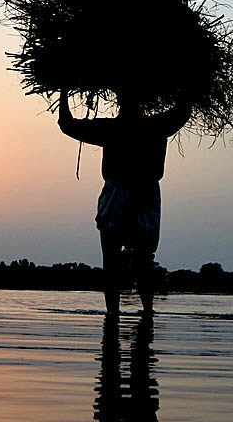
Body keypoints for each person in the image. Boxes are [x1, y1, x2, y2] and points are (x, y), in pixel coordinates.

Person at [58, 89, 191, 316]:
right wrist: (184, 86)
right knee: (141, 261)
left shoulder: (112, 129)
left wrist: (63, 91)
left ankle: (116, 314)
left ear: (119, 101)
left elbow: (66, 124)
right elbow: (183, 110)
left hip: (125, 197)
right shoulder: (156, 126)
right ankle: (144, 314)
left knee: (115, 262)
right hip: (140, 197)